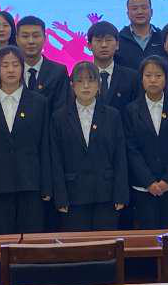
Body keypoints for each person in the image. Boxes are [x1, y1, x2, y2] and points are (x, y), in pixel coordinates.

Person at [0, 44, 51, 236]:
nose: (10, 70)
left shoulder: (39, 102)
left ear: (23, 68)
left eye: (16, 65)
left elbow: (45, 146)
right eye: (5, 65)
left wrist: (47, 186)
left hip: (30, 184)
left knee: (31, 244)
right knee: (0, 242)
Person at [50, 61, 129, 231]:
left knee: (106, 244)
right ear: (72, 85)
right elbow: (56, 160)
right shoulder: (59, 117)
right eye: (80, 81)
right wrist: (60, 196)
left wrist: (120, 194)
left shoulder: (112, 115)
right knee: (78, 245)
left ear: (99, 85)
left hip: (106, 195)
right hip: (73, 195)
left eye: (91, 80)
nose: (86, 85)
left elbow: (120, 157)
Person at [124, 56, 168, 229]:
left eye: (158, 75)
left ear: (166, 78)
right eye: (148, 75)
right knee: (146, 236)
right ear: (141, 79)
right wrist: (149, 181)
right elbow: (131, 149)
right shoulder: (131, 110)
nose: (153, 80)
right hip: (143, 188)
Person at [16, 15, 69, 110]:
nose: (31, 41)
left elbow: (62, 109)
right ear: (17, 39)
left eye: (36, 36)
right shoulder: (9, 71)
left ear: (45, 38)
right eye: (25, 36)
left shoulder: (58, 72)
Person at [87, 20, 140, 111]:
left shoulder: (132, 77)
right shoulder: (80, 76)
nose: (104, 45)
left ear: (117, 45)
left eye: (108, 40)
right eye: (98, 41)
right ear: (89, 46)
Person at [117, 0, 165, 69]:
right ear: (128, 14)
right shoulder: (118, 39)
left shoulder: (162, 37)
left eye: (144, 8)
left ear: (151, 12)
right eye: (134, 9)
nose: (140, 12)